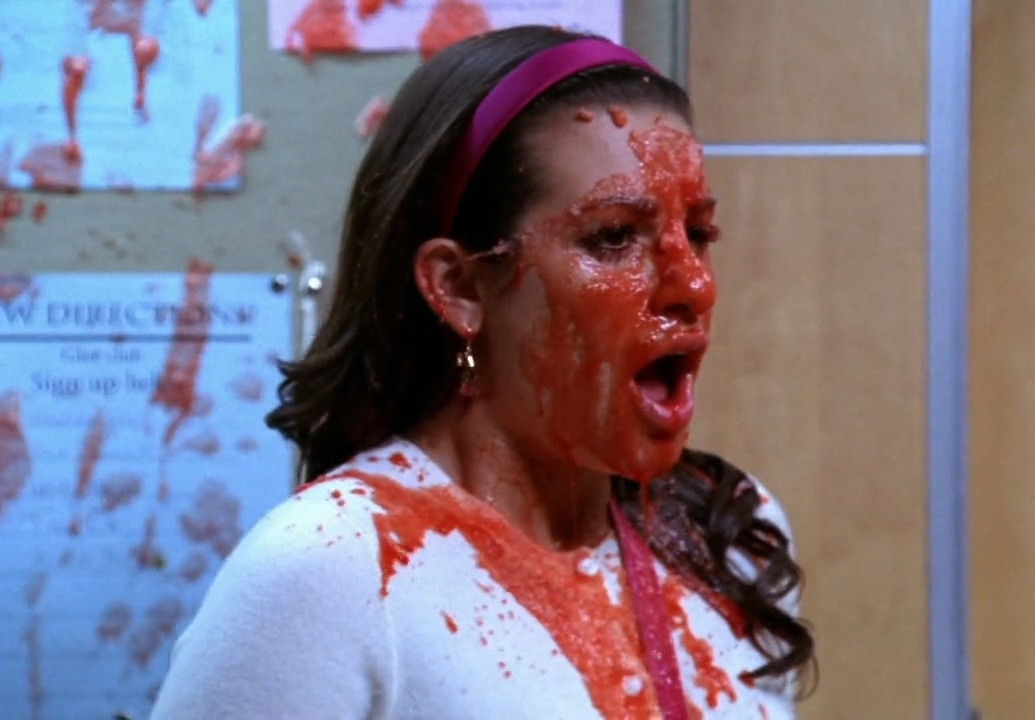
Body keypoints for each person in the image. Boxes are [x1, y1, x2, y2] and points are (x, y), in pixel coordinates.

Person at [152, 25, 813, 719]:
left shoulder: (731, 534)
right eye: (614, 237)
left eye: (699, 234)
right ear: (460, 287)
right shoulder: (331, 570)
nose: (695, 285)